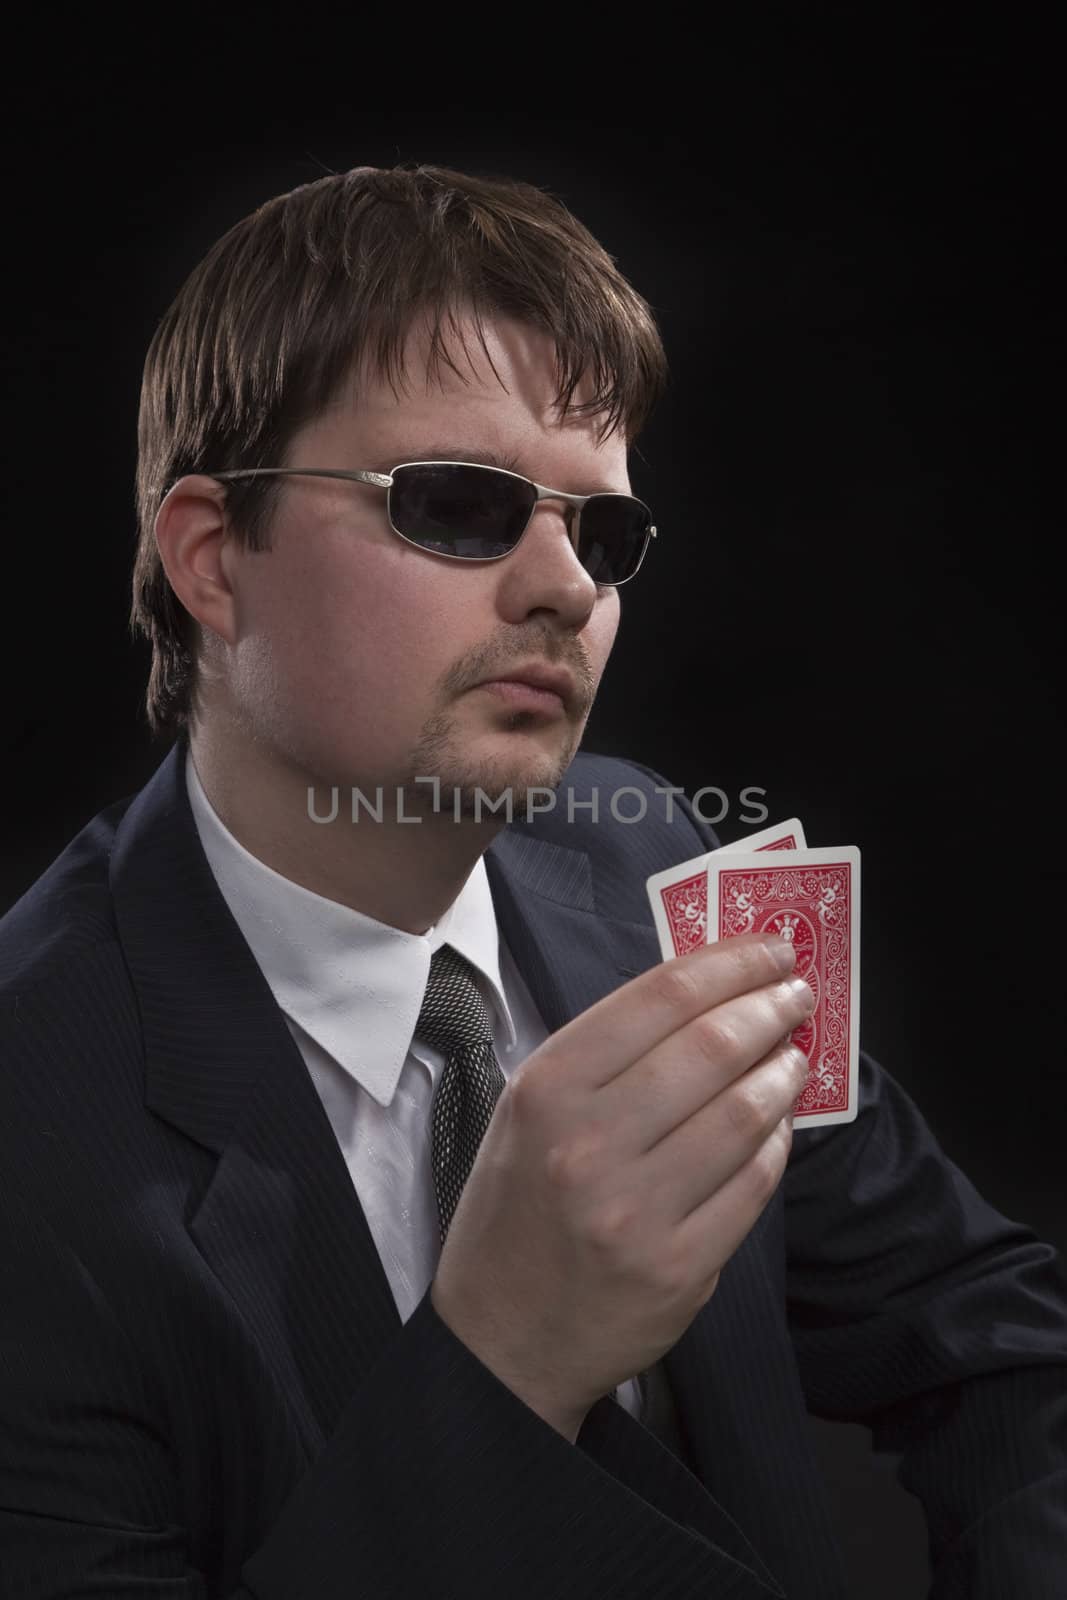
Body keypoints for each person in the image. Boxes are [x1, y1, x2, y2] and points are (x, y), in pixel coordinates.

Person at [1, 162, 1064, 1600]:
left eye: (602, 530)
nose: (568, 587)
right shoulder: (27, 1114)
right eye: (460, 504)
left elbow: (992, 1331)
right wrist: (506, 1359)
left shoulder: (667, 859)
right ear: (210, 558)